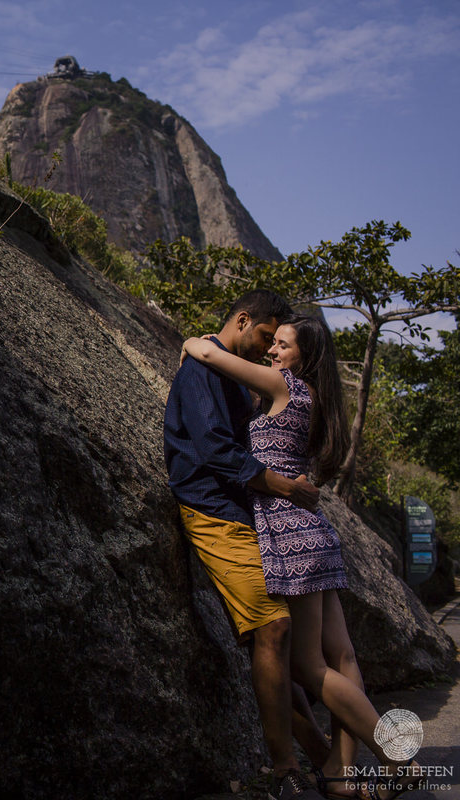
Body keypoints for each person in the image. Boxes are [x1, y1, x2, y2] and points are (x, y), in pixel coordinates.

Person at [181, 314, 424, 800]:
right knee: (343, 654)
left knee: (308, 667)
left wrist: (192, 339)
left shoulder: (285, 387)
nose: (272, 351)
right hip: (314, 531)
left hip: (289, 533)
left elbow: (210, 354)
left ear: (303, 357)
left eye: (283, 345)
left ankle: (400, 759)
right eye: (273, 343)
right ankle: (341, 772)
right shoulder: (319, 400)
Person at [165, 290, 327, 800]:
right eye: (264, 337)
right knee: (273, 628)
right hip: (212, 508)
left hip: (244, 511)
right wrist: (286, 487)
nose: (267, 350)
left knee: (278, 640)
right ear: (242, 320)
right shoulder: (202, 369)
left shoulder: (231, 370)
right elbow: (214, 449)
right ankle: (285, 772)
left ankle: (323, 762)